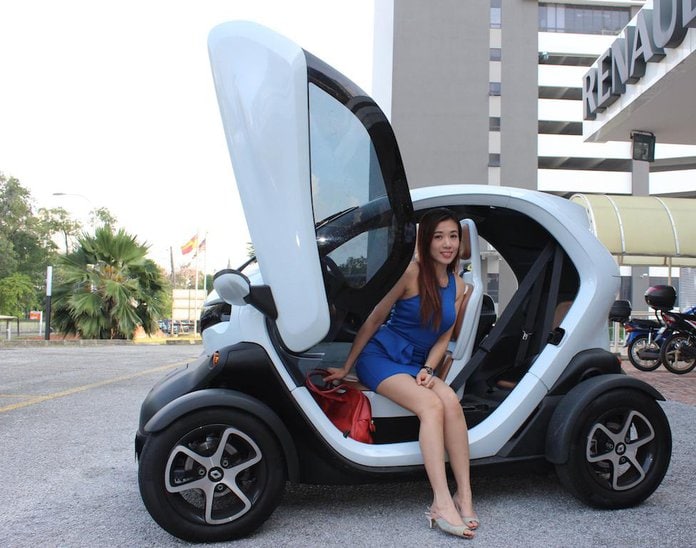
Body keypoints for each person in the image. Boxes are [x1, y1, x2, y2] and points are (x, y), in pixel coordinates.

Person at [324, 208, 478, 539]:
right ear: (426, 241)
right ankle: (440, 503)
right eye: (439, 237)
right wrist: (348, 366)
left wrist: (428, 368)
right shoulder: (410, 273)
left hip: (417, 364)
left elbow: (443, 336)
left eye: (453, 237)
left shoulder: (459, 285)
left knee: (451, 402)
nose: (447, 244)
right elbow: (375, 319)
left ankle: (464, 495)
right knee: (431, 406)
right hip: (380, 356)